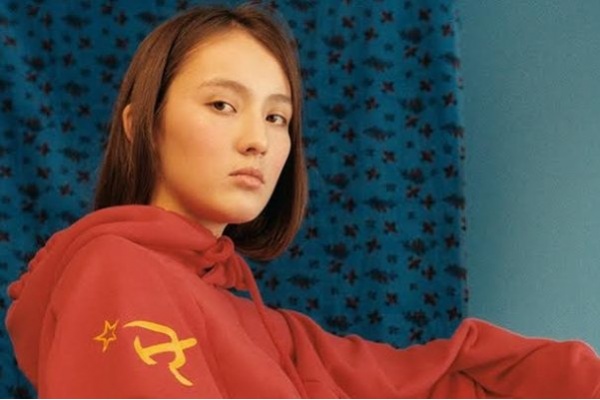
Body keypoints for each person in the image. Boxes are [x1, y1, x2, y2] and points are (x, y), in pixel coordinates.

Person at [5, 3, 600, 398]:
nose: (258, 140)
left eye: (277, 117)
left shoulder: (260, 326)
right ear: (142, 126)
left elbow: (430, 379)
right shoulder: (116, 268)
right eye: (222, 105)